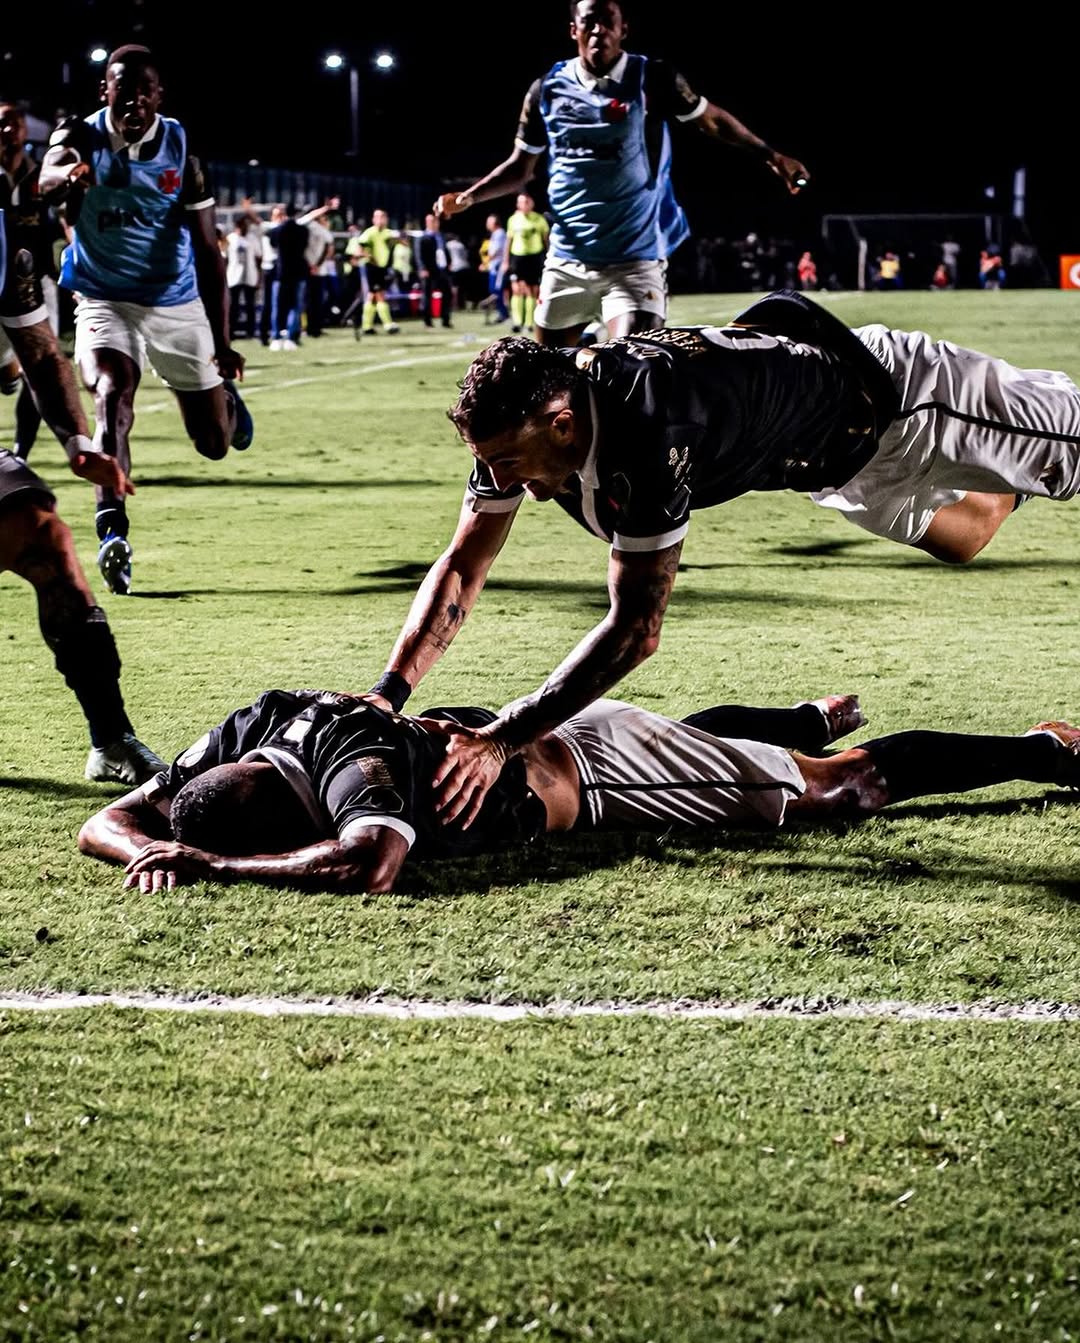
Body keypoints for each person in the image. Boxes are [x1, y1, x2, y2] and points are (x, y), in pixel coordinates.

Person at [364, 289, 1080, 822]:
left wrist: (501, 739)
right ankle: (1016, 474)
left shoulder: (647, 428)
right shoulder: (526, 425)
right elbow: (464, 564)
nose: (502, 481)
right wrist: (389, 692)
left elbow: (635, 631)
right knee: (964, 536)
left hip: (904, 402)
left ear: (562, 425)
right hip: (831, 463)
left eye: (510, 464)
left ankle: (1027, 454)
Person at [77, 684, 1080, 893]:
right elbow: (106, 821)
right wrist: (153, 841)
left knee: (843, 792)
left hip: (602, 771)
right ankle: (794, 720)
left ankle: (1042, 750)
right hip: (581, 746)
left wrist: (212, 866)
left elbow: (369, 863)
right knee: (694, 743)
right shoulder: (254, 727)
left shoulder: (357, 771)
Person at [433, 0, 808, 347]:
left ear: (622, 29)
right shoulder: (547, 89)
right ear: (574, 30)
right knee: (546, 381)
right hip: (566, 261)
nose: (598, 30)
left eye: (607, 22)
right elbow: (520, 166)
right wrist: (469, 197)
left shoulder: (652, 79)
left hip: (634, 260)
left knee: (631, 367)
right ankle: (587, 359)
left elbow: (711, 121)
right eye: (589, 22)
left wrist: (772, 155)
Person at [38, 45, 253, 597]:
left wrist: (223, 342)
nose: (134, 100)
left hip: (174, 300)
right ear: (104, 91)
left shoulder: (181, 150)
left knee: (213, 444)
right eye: (123, 89)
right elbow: (48, 175)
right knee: (112, 393)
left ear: (159, 96)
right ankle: (112, 528)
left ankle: (225, 401)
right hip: (103, 297)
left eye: (145, 91)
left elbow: (208, 251)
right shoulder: (79, 134)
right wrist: (68, 176)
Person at [0, 204, 163, 784]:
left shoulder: (5, 241)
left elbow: (41, 351)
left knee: (45, 538)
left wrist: (77, 442)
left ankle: (111, 739)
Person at [1, 98, 64, 464]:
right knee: (8, 375)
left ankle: (21, 453)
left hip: (37, 286)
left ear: (25, 131)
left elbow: (66, 223)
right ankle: (7, 368)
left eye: (14, 122)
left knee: (39, 370)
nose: (7, 130)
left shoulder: (43, 178)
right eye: (1, 123)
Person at [504, 192, 548, 333]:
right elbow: (508, 241)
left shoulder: (539, 219)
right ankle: (517, 322)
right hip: (518, 257)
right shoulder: (513, 220)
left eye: (527, 202)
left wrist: (549, 257)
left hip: (534, 257)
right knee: (516, 289)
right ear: (518, 204)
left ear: (532, 204)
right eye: (521, 202)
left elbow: (546, 240)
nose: (524, 204)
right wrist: (506, 261)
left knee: (532, 290)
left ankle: (529, 323)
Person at [267, 203, 309, 350]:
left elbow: (273, 244)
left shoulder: (277, 230)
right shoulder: (303, 230)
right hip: (298, 271)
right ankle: (291, 337)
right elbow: (304, 246)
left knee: (277, 306)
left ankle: (276, 337)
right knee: (295, 306)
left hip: (282, 272)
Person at [356, 208, 400, 335]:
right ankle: (388, 324)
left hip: (383, 268)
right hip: (372, 268)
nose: (380, 220)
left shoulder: (389, 233)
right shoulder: (369, 233)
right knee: (380, 294)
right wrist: (369, 256)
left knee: (372, 296)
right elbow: (359, 251)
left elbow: (403, 242)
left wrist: (399, 238)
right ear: (373, 219)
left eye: (383, 217)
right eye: (377, 217)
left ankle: (367, 326)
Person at [224, 213, 261, 339]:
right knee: (233, 306)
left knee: (250, 305)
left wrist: (259, 277)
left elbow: (258, 257)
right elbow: (224, 258)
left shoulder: (252, 238)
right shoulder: (230, 239)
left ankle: (250, 332)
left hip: (250, 276)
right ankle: (231, 332)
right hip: (233, 277)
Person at [417, 212, 452, 329]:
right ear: (427, 223)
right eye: (431, 221)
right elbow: (419, 255)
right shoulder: (423, 237)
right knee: (427, 295)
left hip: (442, 269)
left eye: (435, 221)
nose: (434, 223)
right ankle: (427, 321)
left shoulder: (441, 236)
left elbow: (444, 250)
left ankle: (445, 319)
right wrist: (422, 268)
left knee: (447, 294)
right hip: (429, 270)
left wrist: (449, 262)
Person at [482, 213, 509, 323]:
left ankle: (503, 314)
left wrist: (485, 262)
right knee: (493, 290)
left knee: (497, 290)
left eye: (489, 221)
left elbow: (496, 251)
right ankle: (501, 313)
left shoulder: (499, 233)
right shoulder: (494, 234)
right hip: (493, 267)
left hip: (498, 266)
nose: (487, 224)